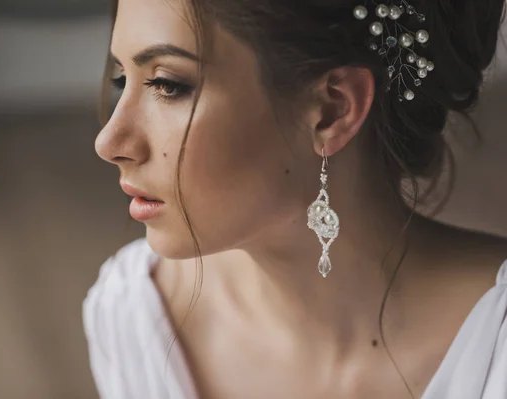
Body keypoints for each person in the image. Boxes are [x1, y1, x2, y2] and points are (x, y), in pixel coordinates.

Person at [83, 0, 507, 397]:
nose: (109, 141)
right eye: (122, 79)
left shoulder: (496, 350)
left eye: (167, 84)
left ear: (332, 111)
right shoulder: (134, 316)